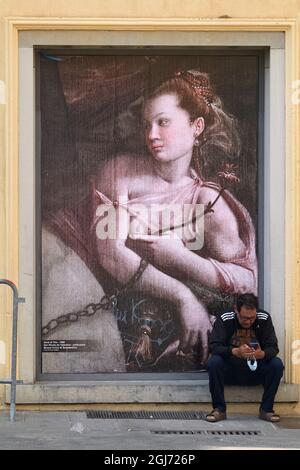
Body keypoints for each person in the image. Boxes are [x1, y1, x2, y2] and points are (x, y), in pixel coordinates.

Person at [43, 69, 258, 372]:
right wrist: (184, 297)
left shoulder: (207, 202)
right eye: (147, 124)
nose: (152, 135)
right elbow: (110, 254)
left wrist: (182, 258)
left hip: (114, 295)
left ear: (196, 127)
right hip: (61, 255)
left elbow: (247, 281)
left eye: (163, 122)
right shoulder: (121, 171)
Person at [206, 293, 284, 423]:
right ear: (236, 310)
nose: (248, 322)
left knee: (276, 364)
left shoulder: (264, 318)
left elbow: (273, 348)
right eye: (244, 318)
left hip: (256, 370)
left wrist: (262, 354)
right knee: (214, 362)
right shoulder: (225, 318)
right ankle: (219, 409)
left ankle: (266, 409)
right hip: (231, 370)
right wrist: (234, 351)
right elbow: (214, 347)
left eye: (252, 318)